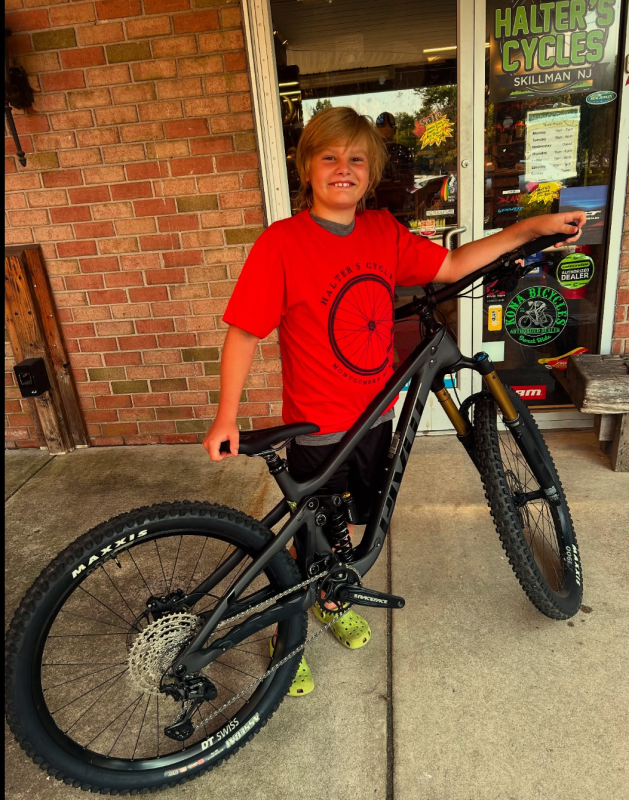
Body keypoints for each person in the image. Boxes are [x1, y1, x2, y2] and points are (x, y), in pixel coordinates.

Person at [203, 106, 585, 696]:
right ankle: (287, 637)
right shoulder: (282, 243)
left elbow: (451, 264)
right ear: (306, 167)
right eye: (329, 157)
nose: (343, 168)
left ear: (372, 171)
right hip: (319, 428)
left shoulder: (382, 232)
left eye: (356, 158)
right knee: (310, 540)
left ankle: (331, 602)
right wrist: (226, 415)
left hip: (377, 415)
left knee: (347, 530)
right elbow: (245, 332)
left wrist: (529, 229)